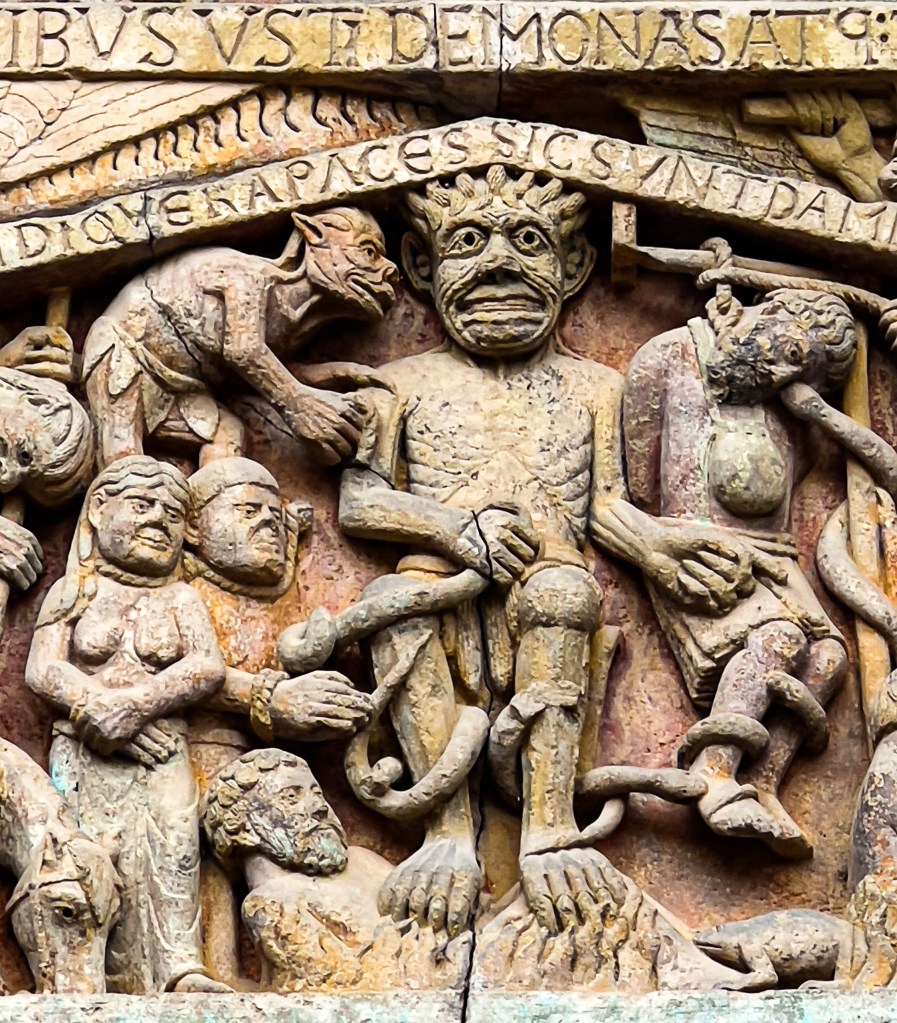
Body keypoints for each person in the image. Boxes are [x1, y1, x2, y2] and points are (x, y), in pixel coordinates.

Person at [25, 456, 230, 994]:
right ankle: (88, 977)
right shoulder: (75, 591)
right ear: (98, 510)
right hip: (81, 752)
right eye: (141, 505)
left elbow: (207, 666)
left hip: (162, 750)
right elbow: (42, 669)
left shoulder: (180, 598)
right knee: (86, 856)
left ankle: (180, 968)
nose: (158, 519)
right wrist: (96, 707)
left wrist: (136, 708)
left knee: (174, 850)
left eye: (173, 514)